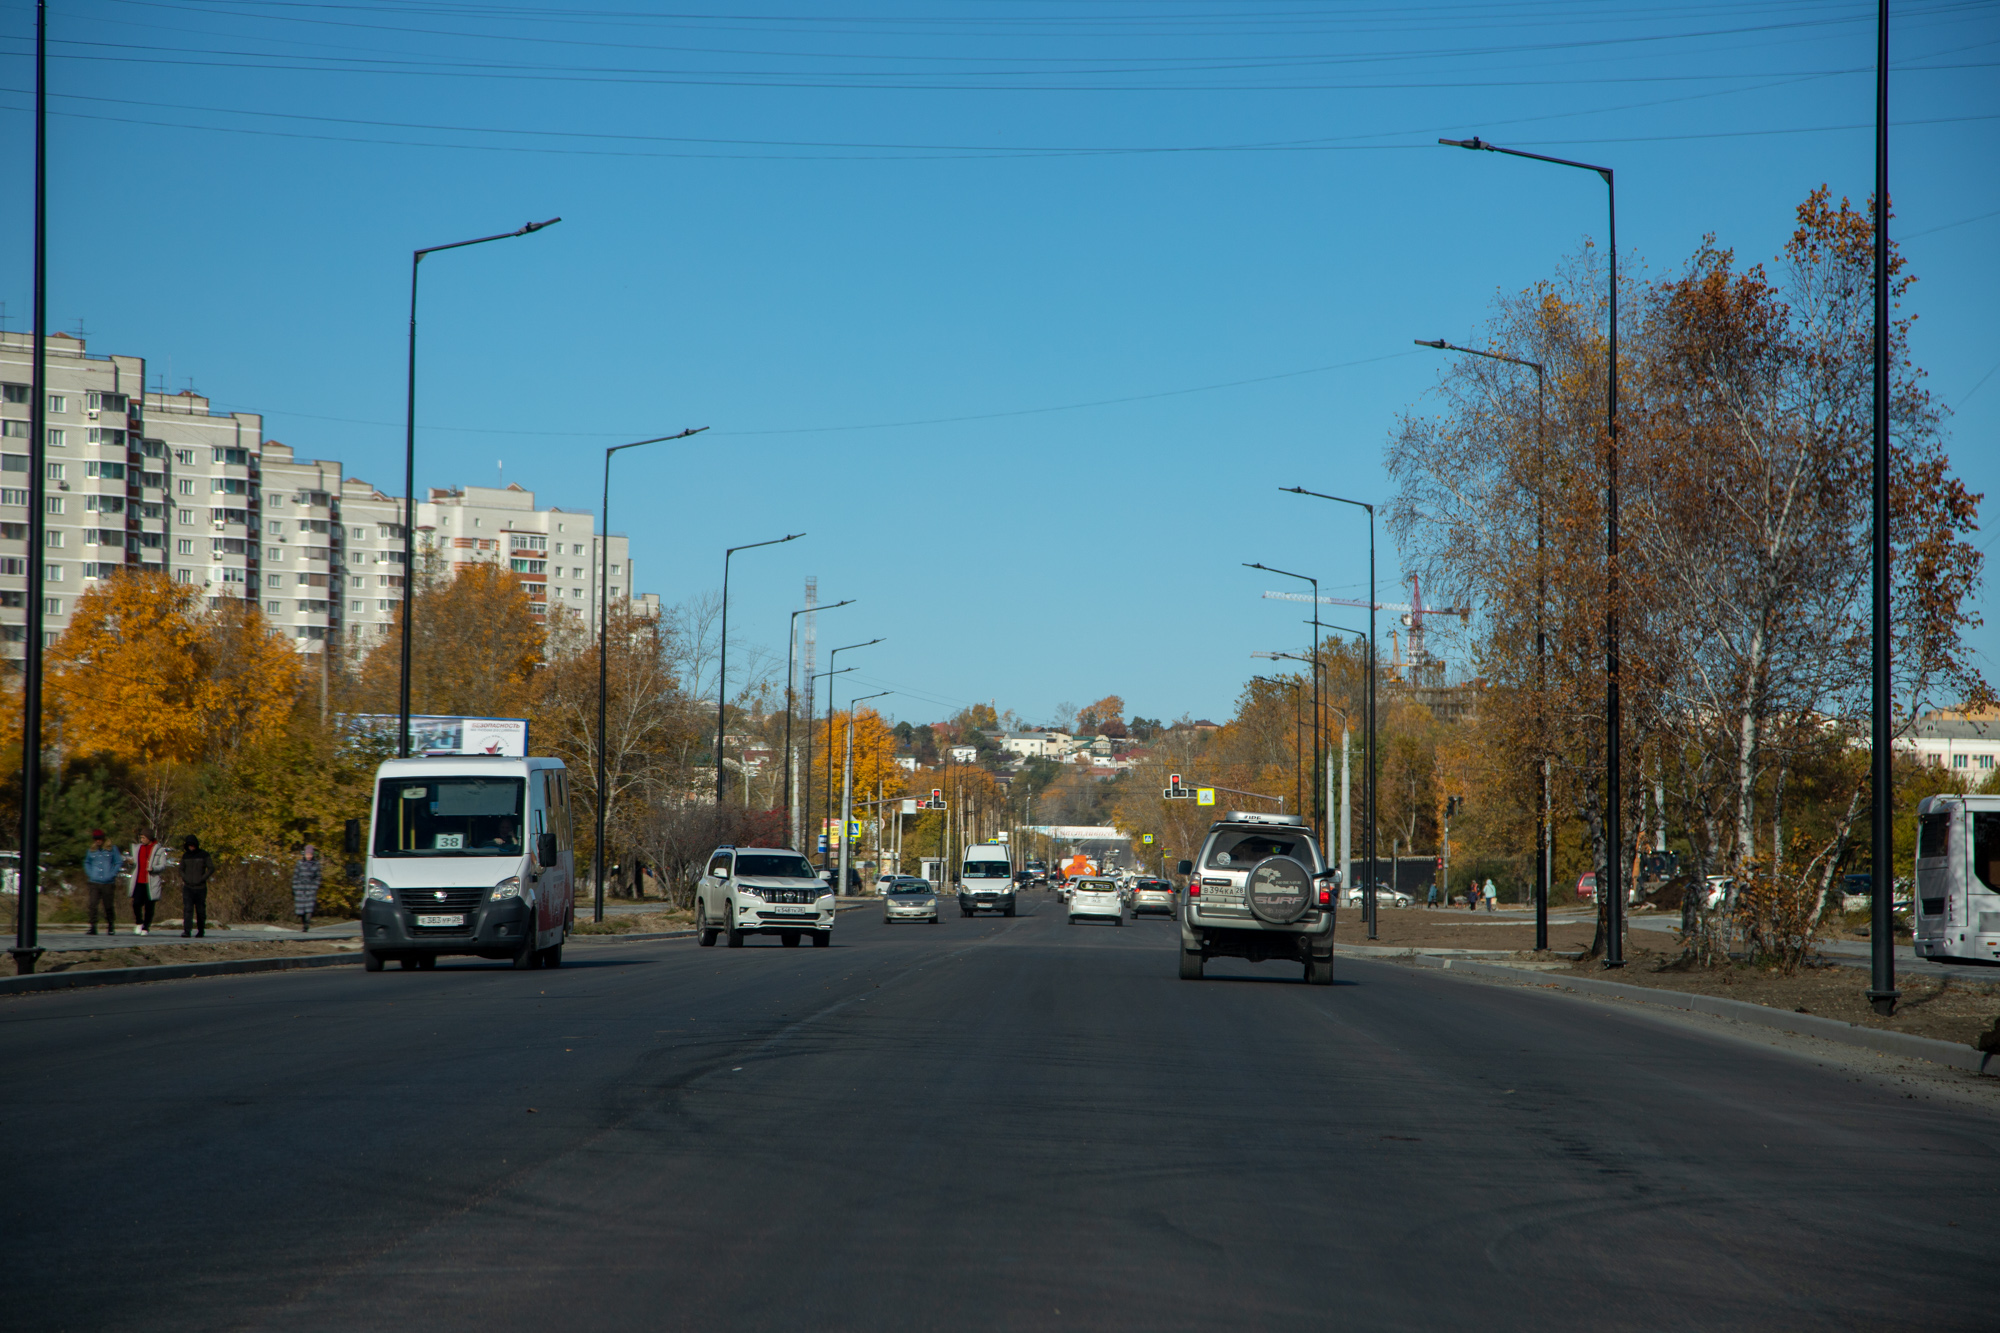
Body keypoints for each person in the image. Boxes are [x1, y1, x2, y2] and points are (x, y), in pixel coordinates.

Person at [83, 830, 123, 936]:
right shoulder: (91, 850)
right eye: (96, 839)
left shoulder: (112, 849)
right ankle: (93, 926)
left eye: (100, 839)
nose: (98, 841)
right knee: (92, 904)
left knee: (108, 905)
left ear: (103, 839)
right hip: (94, 882)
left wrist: (112, 873)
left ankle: (110, 925)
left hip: (108, 882)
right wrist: (90, 873)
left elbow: (118, 862)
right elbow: (87, 862)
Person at [178, 835, 214, 938]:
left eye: (193, 845)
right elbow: (181, 869)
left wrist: (202, 878)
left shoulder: (204, 855)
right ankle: (187, 931)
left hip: (200, 888)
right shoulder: (185, 856)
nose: (191, 847)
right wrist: (185, 878)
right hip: (188, 887)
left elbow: (211, 868)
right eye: (189, 845)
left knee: (200, 910)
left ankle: (201, 930)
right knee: (187, 909)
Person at [129, 830, 161, 936]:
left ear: (149, 838)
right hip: (139, 880)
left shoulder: (158, 849)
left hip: (151, 881)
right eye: (141, 838)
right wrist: (131, 862)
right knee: (136, 903)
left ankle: (146, 927)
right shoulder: (138, 848)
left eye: (144, 838)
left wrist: (154, 868)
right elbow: (135, 862)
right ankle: (139, 922)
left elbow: (163, 865)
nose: (142, 840)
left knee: (149, 905)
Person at [292, 844, 322, 932]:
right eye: (307, 854)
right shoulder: (299, 863)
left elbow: (318, 877)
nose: (309, 856)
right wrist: (295, 887)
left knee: (309, 908)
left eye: (310, 854)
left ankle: (306, 925)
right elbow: (296, 876)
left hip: (310, 889)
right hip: (300, 888)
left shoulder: (316, 865)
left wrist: (315, 886)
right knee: (300, 910)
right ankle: (303, 922)